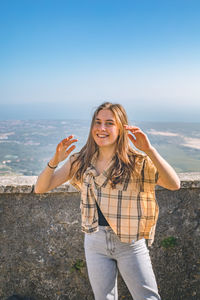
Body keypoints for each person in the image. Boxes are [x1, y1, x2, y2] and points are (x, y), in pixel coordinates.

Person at [35, 102, 180, 300]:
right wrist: (55, 161)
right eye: (98, 122)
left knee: (147, 298)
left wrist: (149, 149)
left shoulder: (136, 161)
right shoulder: (81, 160)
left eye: (109, 123)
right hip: (94, 240)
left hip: (129, 241)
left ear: (121, 129)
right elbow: (41, 188)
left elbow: (174, 184)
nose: (101, 128)